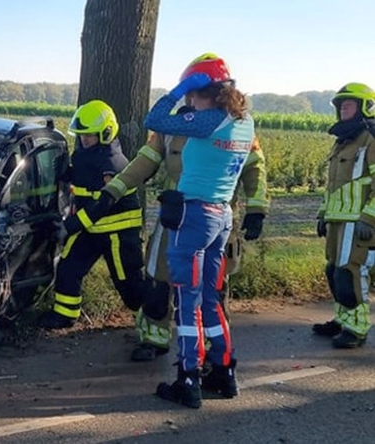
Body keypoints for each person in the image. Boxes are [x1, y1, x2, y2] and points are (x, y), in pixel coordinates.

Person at [101, 100, 268, 363]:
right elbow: (144, 161)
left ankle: (213, 348)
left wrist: (257, 208)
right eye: (191, 93)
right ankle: (154, 338)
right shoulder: (171, 126)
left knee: (212, 290)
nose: (194, 99)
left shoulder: (233, 126)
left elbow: (254, 167)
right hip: (174, 220)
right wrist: (113, 190)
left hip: (214, 223)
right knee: (158, 283)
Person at [143, 54, 254, 409]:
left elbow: (155, 119)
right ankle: (224, 372)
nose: (190, 101)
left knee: (186, 301)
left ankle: (188, 379)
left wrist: (177, 90)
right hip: (221, 216)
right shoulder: (245, 121)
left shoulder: (208, 121)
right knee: (209, 298)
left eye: (194, 93)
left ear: (205, 90)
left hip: (193, 217)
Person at [36, 100, 145, 330]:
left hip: (117, 232)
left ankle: (153, 322)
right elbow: (81, 179)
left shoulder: (113, 165)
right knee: (68, 268)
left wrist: (70, 226)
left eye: (89, 136)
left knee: (129, 285)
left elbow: (101, 206)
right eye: (81, 136)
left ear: (106, 133)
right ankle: (64, 316)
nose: (84, 141)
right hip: (91, 228)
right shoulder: (85, 155)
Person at [312, 83, 375, 349]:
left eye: (348, 104)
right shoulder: (345, 140)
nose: (342, 108)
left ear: (364, 107)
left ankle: (357, 328)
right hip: (338, 221)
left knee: (351, 274)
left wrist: (368, 218)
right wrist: (323, 214)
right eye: (340, 105)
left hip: (357, 222)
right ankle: (343, 319)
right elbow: (334, 184)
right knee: (334, 272)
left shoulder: (371, 139)